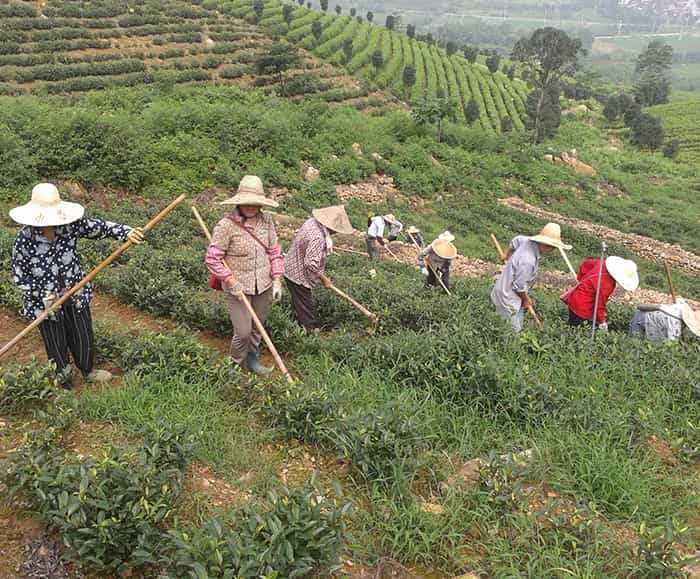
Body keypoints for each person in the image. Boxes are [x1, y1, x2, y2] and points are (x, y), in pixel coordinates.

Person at [10, 183, 144, 389]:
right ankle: (63, 381)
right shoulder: (24, 240)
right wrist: (42, 297)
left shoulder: (69, 226)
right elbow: (21, 276)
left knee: (82, 333)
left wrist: (125, 232)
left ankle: (88, 370)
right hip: (45, 302)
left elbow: (100, 227)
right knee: (55, 341)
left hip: (75, 290)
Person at [205, 175, 284, 375]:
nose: (250, 207)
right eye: (246, 203)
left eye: (254, 203)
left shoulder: (267, 221)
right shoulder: (226, 226)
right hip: (238, 287)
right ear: (239, 202)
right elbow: (212, 258)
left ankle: (252, 360)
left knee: (258, 327)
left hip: (263, 284)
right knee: (243, 331)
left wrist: (276, 280)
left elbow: (274, 251)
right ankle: (235, 364)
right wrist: (231, 281)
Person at [491, 223, 571, 332]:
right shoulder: (528, 261)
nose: (552, 250)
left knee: (518, 323)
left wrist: (506, 253)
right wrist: (526, 299)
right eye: (552, 247)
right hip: (507, 296)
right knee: (512, 331)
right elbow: (518, 287)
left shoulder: (528, 241)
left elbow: (516, 240)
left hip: (515, 296)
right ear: (545, 244)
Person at [284, 205, 353, 330]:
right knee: (305, 306)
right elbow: (310, 263)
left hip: (290, 265)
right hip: (298, 274)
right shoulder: (318, 237)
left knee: (299, 302)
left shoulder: (311, 222)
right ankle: (309, 335)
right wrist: (323, 278)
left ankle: (296, 324)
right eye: (336, 229)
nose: (336, 232)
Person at [561, 256, 639, 328]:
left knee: (573, 323)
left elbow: (586, 264)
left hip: (575, 297)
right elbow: (599, 304)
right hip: (581, 307)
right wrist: (602, 322)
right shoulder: (608, 284)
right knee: (578, 328)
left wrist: (581, 281)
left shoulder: (602, 263)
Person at [629, 298, 700, 342]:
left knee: (636, 342)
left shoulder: (679, 309)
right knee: (636, 344)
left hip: (642, 314)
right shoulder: (675, 323)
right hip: (643, 318)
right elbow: (671, 344)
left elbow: (679, 300)